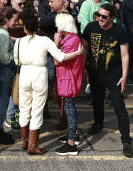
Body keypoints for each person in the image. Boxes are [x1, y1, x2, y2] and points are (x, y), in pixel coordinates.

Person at [14, 12, 83, 155]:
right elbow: (61, 57)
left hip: (25, 73)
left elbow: (17, 61)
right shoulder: (45, 40)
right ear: (38, 26)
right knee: (37, 110)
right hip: (39, 74)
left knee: (24, 108)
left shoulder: (19, 41)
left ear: (24, 27)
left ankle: (24, 141)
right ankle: (33, 146)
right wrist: (77, 53)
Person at [81, 3, 133, 156]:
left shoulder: (119, 31)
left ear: (112, 17)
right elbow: (85, 47)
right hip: (95, 72)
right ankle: (98, 123)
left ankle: (126, 141)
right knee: (97, 100)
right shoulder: (91, 27)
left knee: (119, 107)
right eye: (98, 15)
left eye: (104, 17)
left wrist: (124, 76)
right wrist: (83, 67)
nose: (100, 18)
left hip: (114, 75)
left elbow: (125, 55)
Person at [53, 12, 85, 156]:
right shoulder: (71, 38)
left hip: (68, 79)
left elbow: (56, 60)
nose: (55, 26)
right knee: (68, 107)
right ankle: (74, 134)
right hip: (66, 78)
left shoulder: (71, 40)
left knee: (70, 109)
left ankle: (71, 143)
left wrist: (55, 43)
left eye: (57, 23)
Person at [0, 6, 19, 145]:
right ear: (7, 19)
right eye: (14, 20)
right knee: (3, 101)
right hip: (4, 70)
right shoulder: (4, 35)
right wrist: (16, 59)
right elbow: (4, 58)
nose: (16, 23)